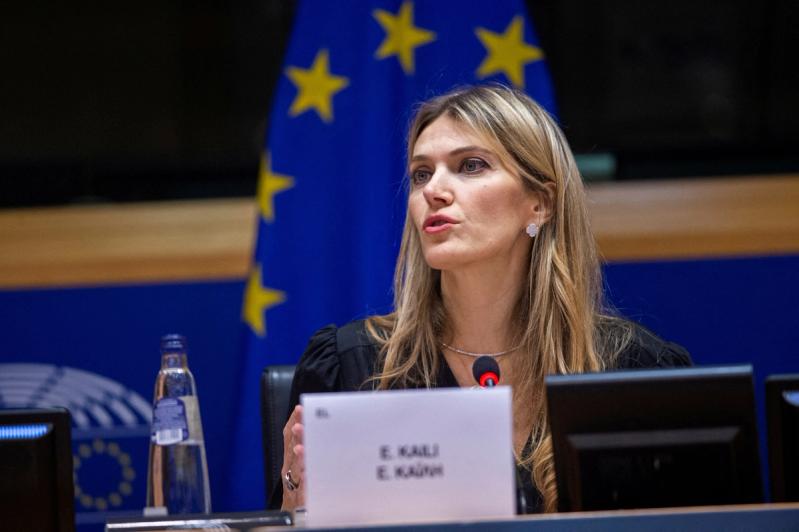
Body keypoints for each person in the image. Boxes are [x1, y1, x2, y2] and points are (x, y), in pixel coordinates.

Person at [275, 84, 691, 513]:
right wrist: (295, 498)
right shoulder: (351, 367)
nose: (434, 190)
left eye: (470, 166)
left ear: (540, 204)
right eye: (421, 174)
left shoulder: (633, 372)